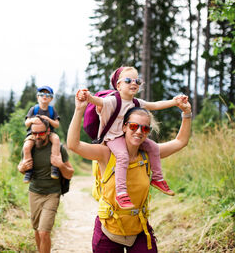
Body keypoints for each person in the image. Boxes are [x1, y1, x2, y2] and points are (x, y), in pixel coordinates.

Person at [67, 92, 191, 252]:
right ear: (124, 126)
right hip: (108, 231)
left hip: (139, 230)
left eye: (145, 128)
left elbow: (181, 141)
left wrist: (187, 113)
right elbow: (73, 145)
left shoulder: (149, 155)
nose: (139, 131)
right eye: (133, 126)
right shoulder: (106, 154)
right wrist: (79, 110)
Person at [78, 66, 188, 209]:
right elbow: (97, 101)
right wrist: (87, 96)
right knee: (123, 156)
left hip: (126, 136)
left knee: (153, 147)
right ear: (118, 85)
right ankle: (121, 192)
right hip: (113, 138)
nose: (134, 83)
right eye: (128, 80)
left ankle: (157, 178)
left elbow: (154, 105)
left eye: (137, 81)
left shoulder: (136, 103)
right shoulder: (112, 101)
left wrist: (174, 102)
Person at [18, 116, 74, 253]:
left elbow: (70, 173)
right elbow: (22, 168)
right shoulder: (28, 148)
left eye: (41, 133)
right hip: (34, 193)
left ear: (48, 131)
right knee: (37, 231)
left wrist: (60, 165)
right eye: (34, 133)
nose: (37, 136)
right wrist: (21, 168)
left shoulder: (59, 149)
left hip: (52, 193)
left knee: (44, 232)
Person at [22, 85, 62, 183]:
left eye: (47, 95)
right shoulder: (34, 109)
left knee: (56, 140)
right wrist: (32, 120)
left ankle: (54, 167)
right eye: (42, 94)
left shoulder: (52, 110)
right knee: (27, 147)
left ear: (51, 98)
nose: (44, 96)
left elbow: (57, 124)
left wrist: (48, 119)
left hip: (49, 133)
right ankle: (28, 170)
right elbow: (26, 123)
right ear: (37, 97)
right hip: (34, 133)